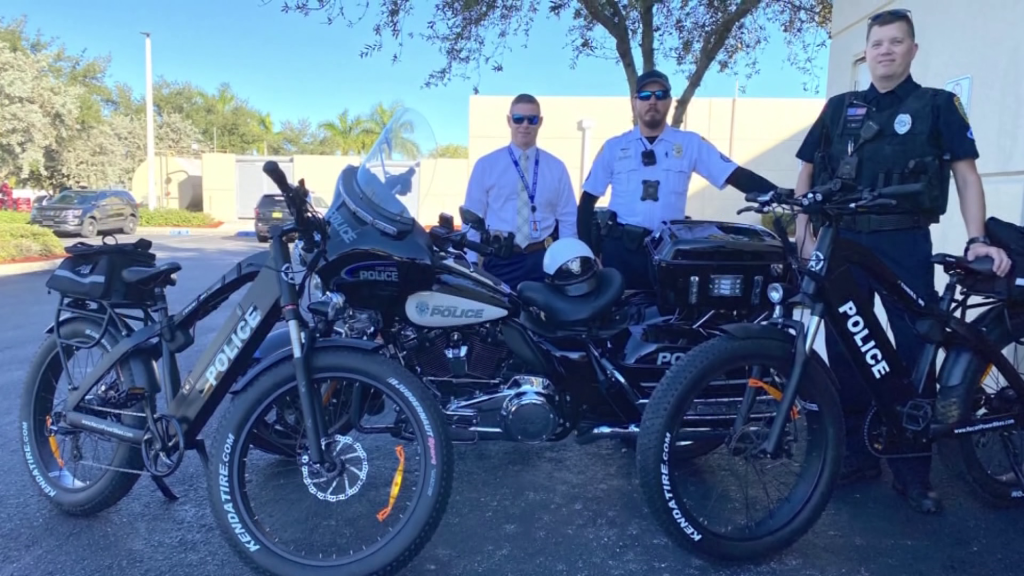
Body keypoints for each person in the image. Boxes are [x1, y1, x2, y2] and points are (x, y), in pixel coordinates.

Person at [792, 8, 1011, 514]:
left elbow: (966, 175)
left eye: (896, 42)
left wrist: (977, 238)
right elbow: (805, 174)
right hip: (842, 241)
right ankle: (853, 456)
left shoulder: (937, 106)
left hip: (903, 242)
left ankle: (913, 472)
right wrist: (804, 237)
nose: (885, 50)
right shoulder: (838, 107)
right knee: (847, 349)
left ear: (913, 50)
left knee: (914, 350)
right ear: (865, 52)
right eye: (877, 43)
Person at [577, 69, 780, 291]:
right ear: (634, 102)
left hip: (669, 252)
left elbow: (732, 173)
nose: (652, 101)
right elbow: (587, 202)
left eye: (660, 95)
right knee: (619, 318)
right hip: (621, 252)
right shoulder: (614, 148)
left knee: (669, 319)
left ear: (669, 101)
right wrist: (588, 253)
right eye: (645, 96)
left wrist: (777, 193)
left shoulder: (690, 144)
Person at [463, 93, 578, 288]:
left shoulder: (557, 168)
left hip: (544, 261)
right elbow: (473, 218)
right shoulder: (486, 165)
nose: (525, 125)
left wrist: (568, 260)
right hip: (500, 261)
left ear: (540, 122)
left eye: (531, 119)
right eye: (518, 119)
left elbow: (567, 219)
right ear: (509, 121)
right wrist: (471, 263)